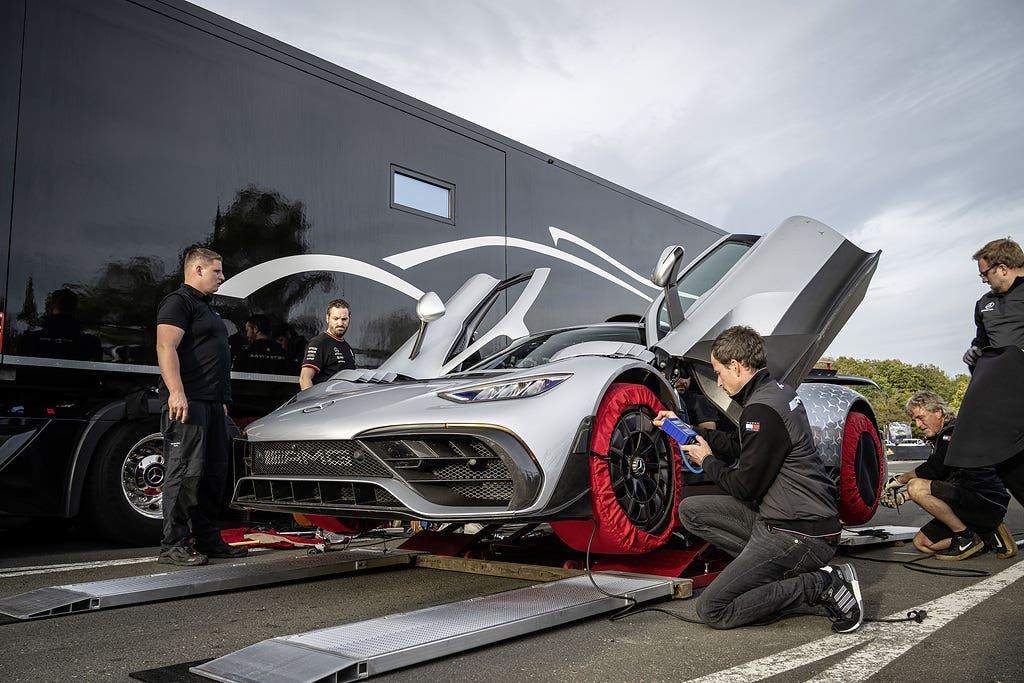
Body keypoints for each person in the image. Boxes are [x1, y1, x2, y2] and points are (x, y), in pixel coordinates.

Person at [653, 325, 863, 633]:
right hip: (782, 519)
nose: (718, 380)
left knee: (713, 609)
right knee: (692, 510)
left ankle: (821, 584)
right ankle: (771, 576)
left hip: (801, 533)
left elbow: (745, 487)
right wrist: (686, 428)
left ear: (735, 366)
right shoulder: (776, 393)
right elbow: (743, 445)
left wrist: (707, 461)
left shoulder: (761, 410)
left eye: (718, 371)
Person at [155, 247, 247, 566]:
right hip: (188, 403)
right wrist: (176, 391)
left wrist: (220, 401)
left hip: (212, 405)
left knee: (214, 475)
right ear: (197, 270)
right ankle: (173, 544)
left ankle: (208, 539)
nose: (222, 277)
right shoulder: (179, 302)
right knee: (184, 472)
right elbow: (166, 346)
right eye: (217, 271)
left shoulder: (208, 308)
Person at [882, 392, 1014, 560]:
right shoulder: (942, 436)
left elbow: (935, 470)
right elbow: (945, 479)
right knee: (922, 543)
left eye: (921, 418)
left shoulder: (955, 431)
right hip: (965, 502)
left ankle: (965, 538)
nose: (918, 424)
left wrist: (899, 480)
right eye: (915, 420)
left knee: (915, 485)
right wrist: (902, 497)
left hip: (985, 501)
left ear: (938, 412)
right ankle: (985, 536)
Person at [946, 238, 1024, 510]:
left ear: (1003, 268)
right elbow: (981, 342)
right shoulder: (983, 304)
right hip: (999, 395)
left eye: (984, 273)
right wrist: (973, 353)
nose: (982, 280)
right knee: (1002, 460)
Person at [299, 299, 356, 390]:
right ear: (327, 318)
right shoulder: (318, 343)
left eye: (344, 319)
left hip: (345, 402)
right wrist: (313, 403)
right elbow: (305, 378)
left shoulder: (348, 348)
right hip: (326, 401)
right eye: (336, 318)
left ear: (349, 319)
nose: (340, 323)